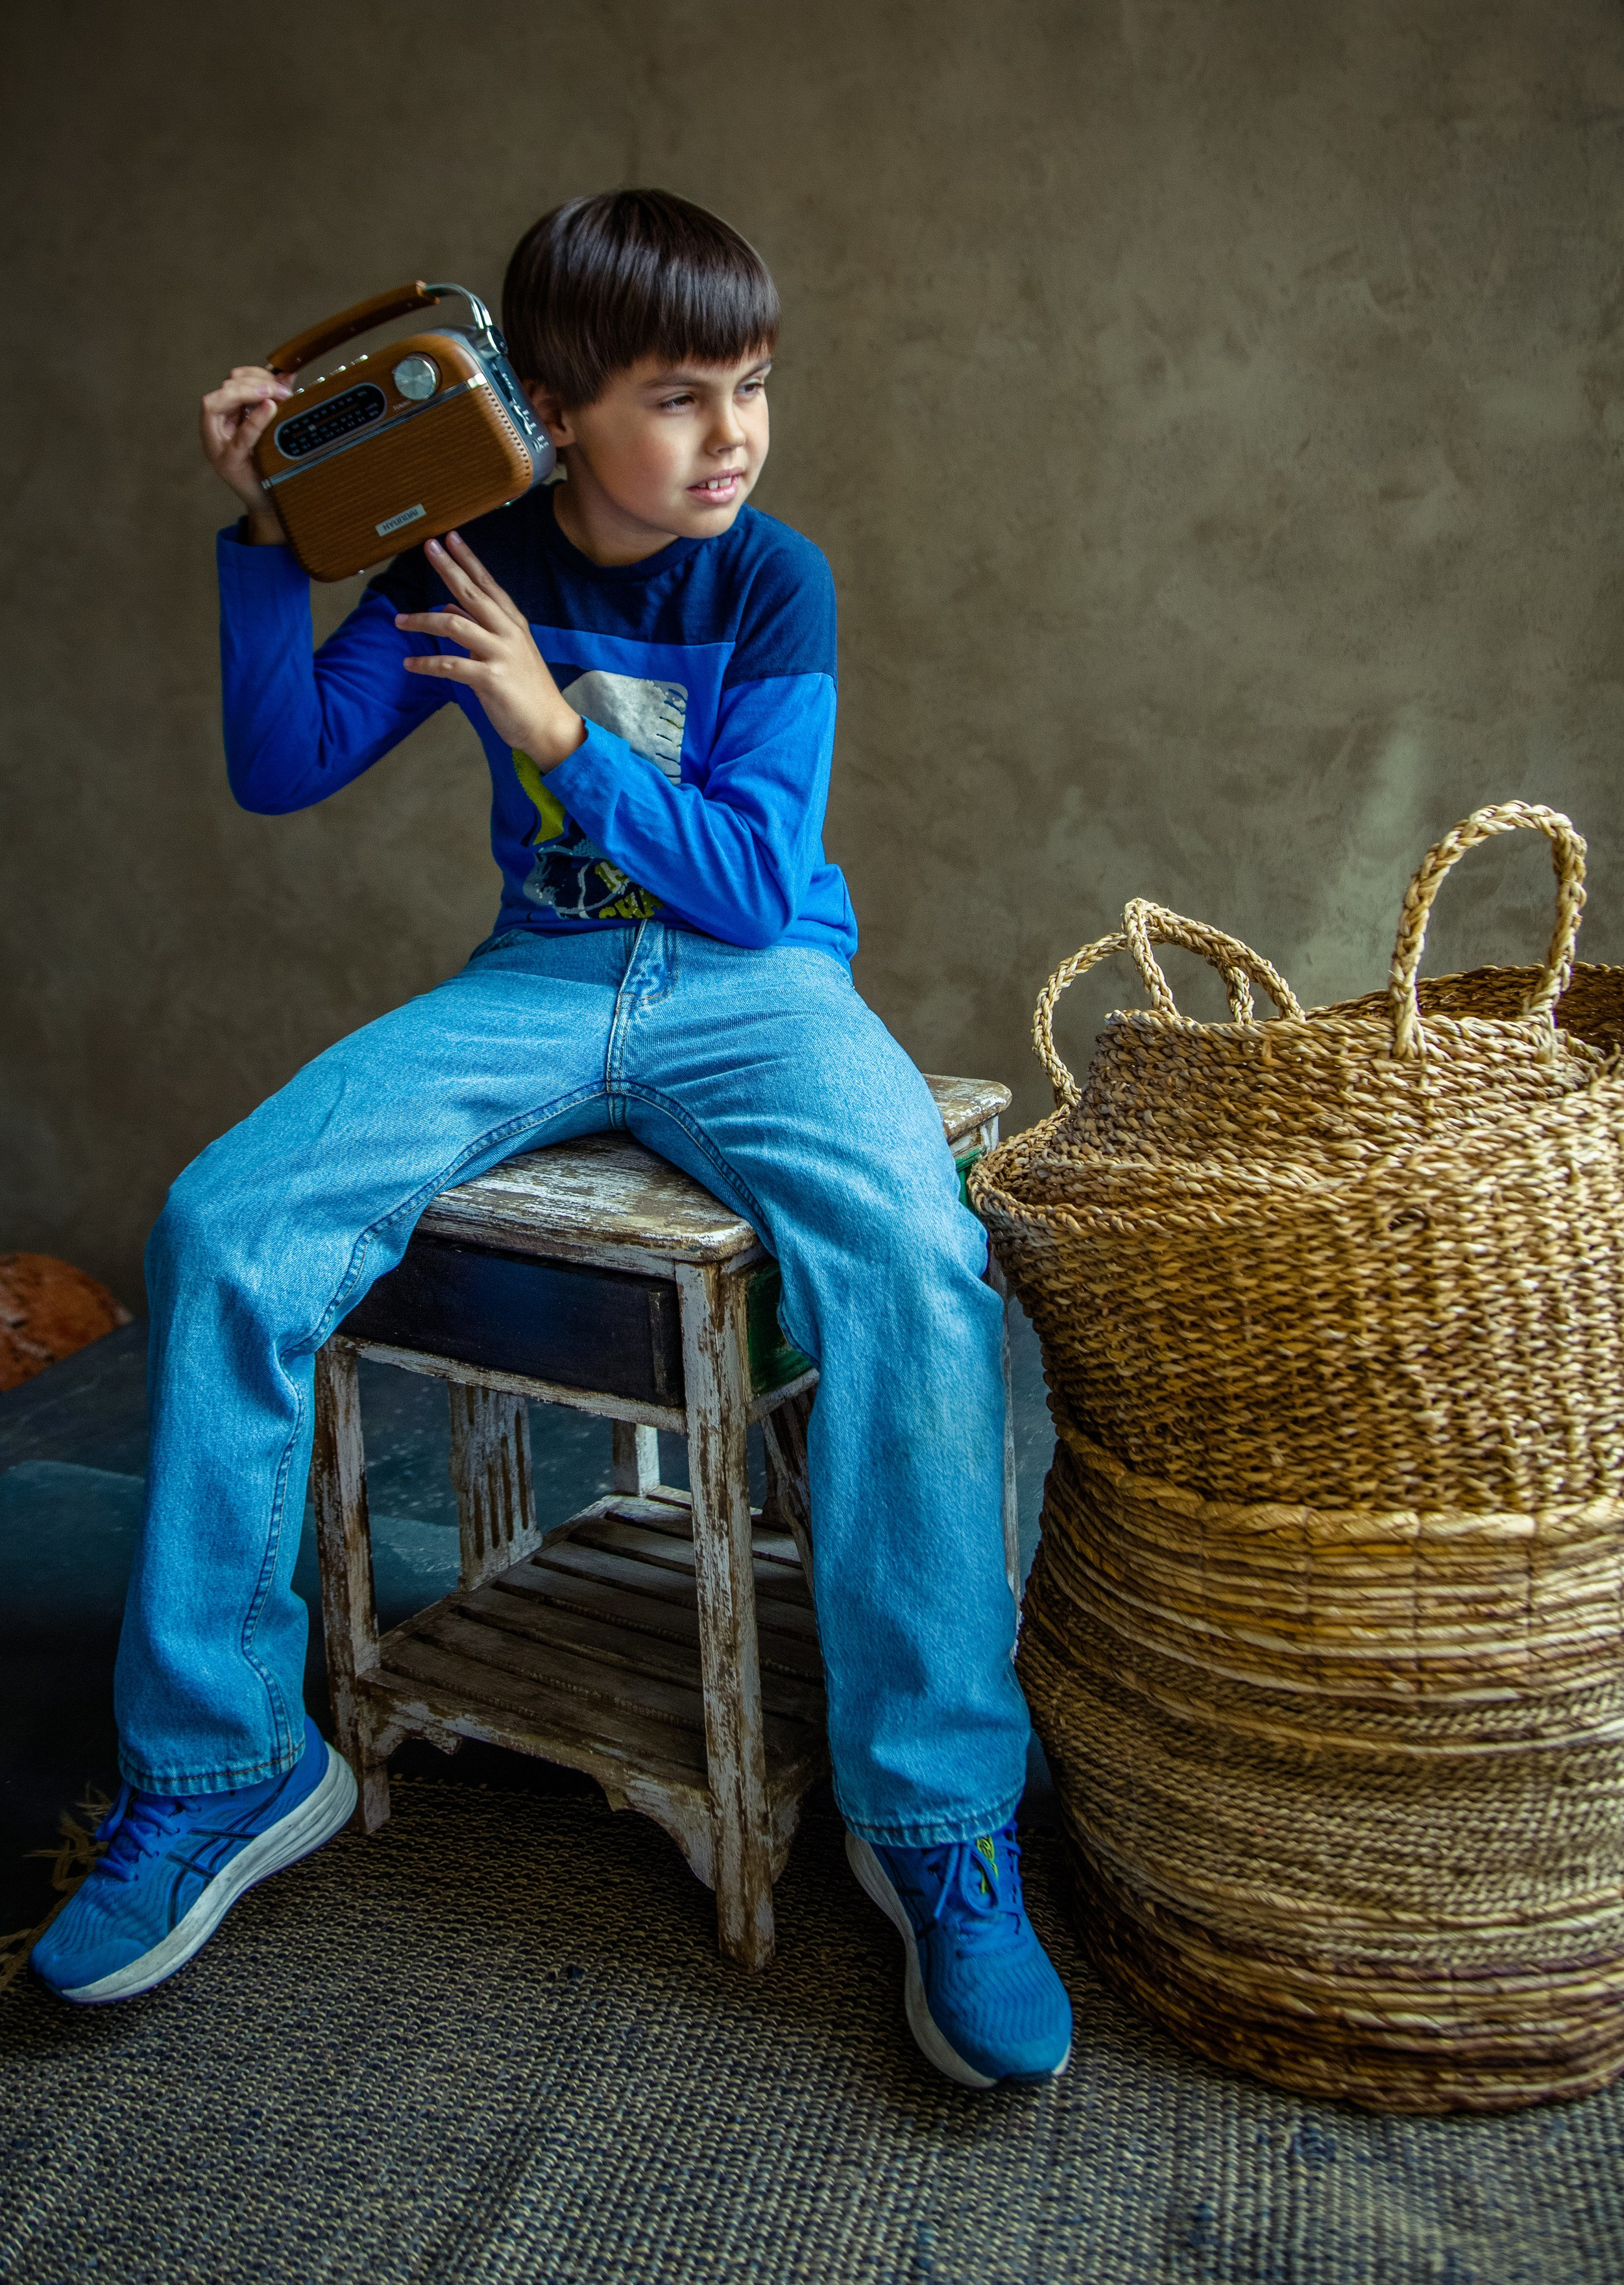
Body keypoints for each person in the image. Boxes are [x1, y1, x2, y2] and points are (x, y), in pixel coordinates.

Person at [32, 190, 1073, 2088]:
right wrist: (272, 533)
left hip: (756, 984)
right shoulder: (459, 553)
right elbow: (284, 765)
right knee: (224, 1220)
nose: (733, 436)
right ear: (554, 406)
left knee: (921, 1255)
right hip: (538, 979)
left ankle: (932, 1820)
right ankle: (227, 1761)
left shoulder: (774, 582)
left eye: (754, 388)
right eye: (683, 398)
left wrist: (554, 723)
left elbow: (757, 880)